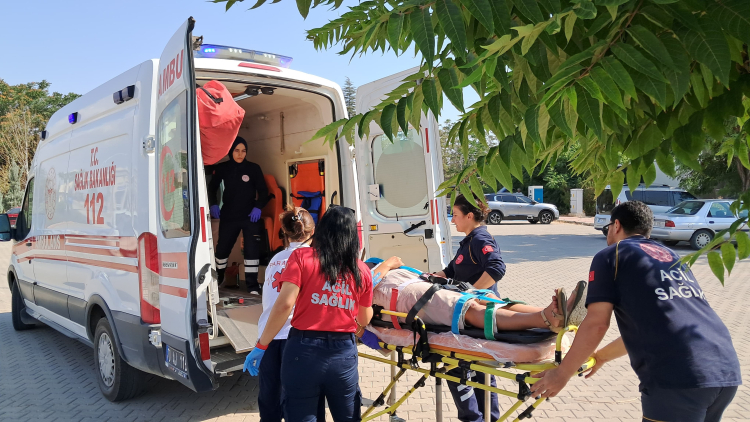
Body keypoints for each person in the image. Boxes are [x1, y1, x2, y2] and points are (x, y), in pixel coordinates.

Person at [530, 201, 742, 422]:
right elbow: (654, 327)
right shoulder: (669, 255)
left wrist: (562, 374)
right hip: (724, 370)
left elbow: (597, 324)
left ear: (616, 225)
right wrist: (600, 356)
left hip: (678, 378)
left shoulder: (612, 255)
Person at [243, 206, 374, 422]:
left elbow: (284, 305)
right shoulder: (361, 269)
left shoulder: (302, 257)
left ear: (321, 230)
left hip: (303, 351)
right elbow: (364, 319)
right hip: (342, 352)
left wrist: (261, 346)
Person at [254, 206, 325, 422]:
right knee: (303, 402)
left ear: (284, 232)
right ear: (313, 231)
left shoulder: (275, 260)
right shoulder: (314, 259)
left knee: (269, 400)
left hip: (268, 335)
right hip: (298, 338)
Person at [208, 136, 269, 294]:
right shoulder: (223, 168)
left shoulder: (254, 168)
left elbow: (263, 192)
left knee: (251, 251)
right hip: (229, 215)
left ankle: (252, 287)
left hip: (250, 216)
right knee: (222, 249)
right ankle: (218, 280)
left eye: (243, 151)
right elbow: (211, 188)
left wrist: (258, 207)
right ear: (230, 151)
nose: (240, 154)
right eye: (236, 150)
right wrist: (213, 204)